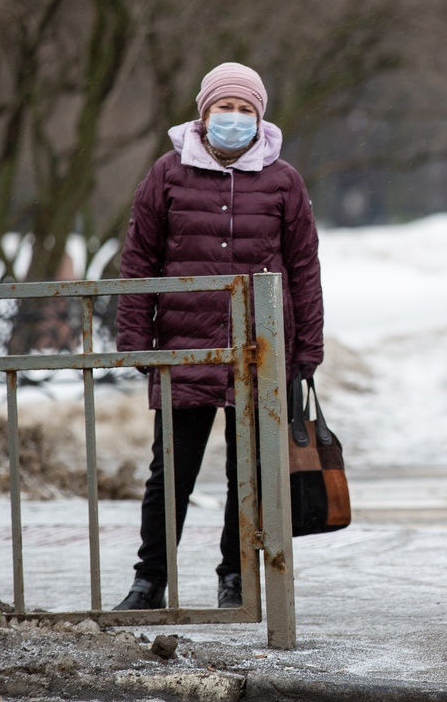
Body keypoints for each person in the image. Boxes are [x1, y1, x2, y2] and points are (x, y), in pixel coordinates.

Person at [113, 62, 324, 611]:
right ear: (203, 114)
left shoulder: (283, 180)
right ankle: (148, 581)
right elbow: (139, 260)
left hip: (260, 352)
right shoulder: (167, 173)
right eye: (223, 109)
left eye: (245, 110)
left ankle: (236, 576)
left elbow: (304, 270)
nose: (233, 119)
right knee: (170, 474)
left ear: (260, 117)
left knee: (247, 472)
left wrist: (307, 351)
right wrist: (136, 337)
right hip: (184, 350)